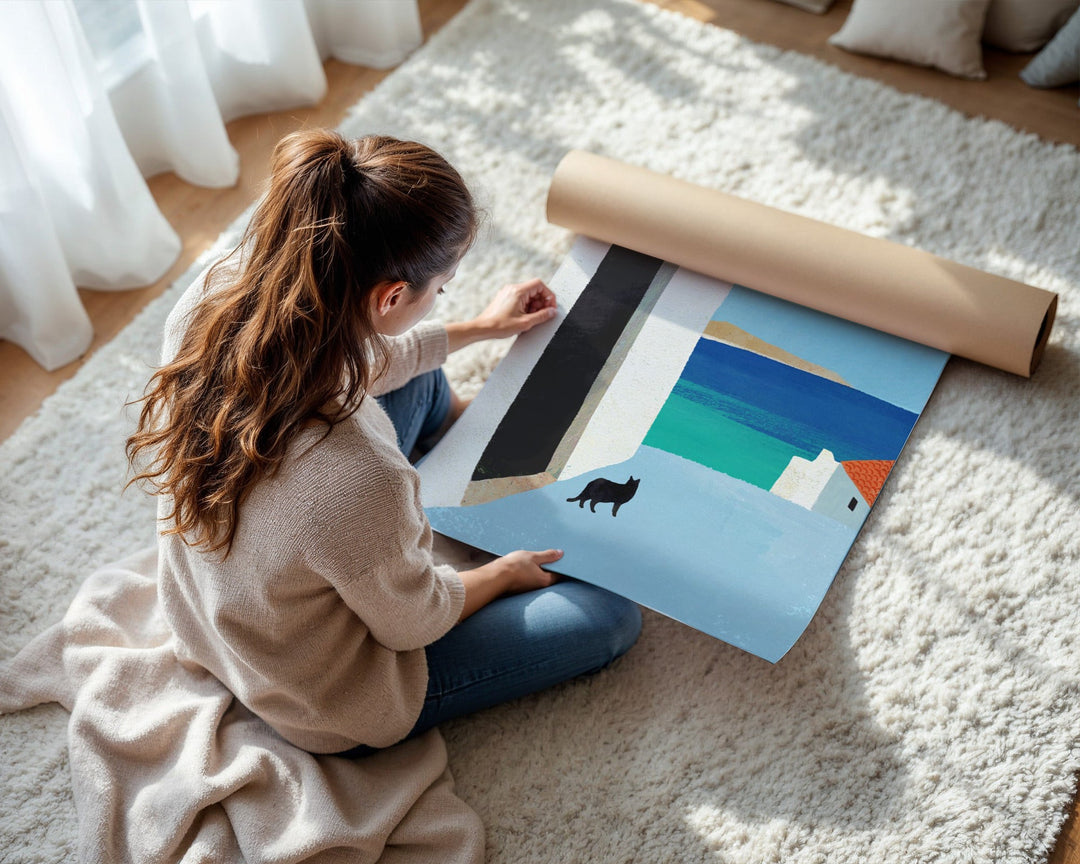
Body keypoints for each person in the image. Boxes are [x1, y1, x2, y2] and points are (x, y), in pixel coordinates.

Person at [126, 129, 641, 757]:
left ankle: (464, 448)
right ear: (392, 295)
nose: (443, 298)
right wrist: (503, 573)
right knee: (609, 616)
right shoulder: (358, 476)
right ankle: (460, 483)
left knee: (421, 380)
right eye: (442, 289)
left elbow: (364, 359)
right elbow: (413, 622)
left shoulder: (221, 289)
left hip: (217, 610)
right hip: (320, 693)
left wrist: (481, 327)